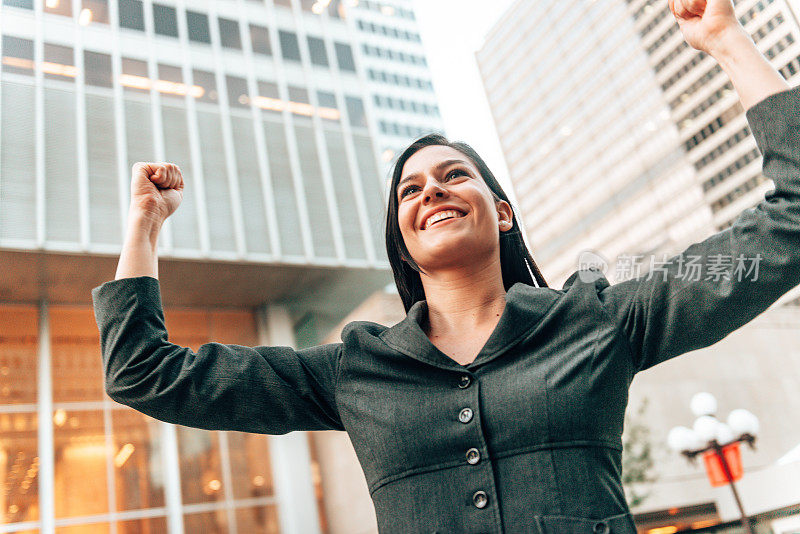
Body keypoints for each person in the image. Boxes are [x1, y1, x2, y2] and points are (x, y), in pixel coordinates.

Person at [92, 0, 800, 532]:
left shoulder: (602, 320)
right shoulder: (350, 371)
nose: (430, 188)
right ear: (402, 239)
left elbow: (791, 222)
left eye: (454, 175)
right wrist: (144, 225)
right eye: (409, 188)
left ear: (501, 212)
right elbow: (143, 374)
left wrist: (724, 41)